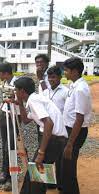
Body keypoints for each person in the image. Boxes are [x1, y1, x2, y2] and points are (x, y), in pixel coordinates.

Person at [13, 77, 68, 194]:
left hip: (53, 141)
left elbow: (49, 123)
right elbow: (26, 120)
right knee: (38, 177)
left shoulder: (34, 100)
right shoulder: (35, 99)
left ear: (22, 91)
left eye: (16, 90)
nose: (15, 92)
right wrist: (20, 104)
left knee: (35, 177)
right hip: (55, 141)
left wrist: (41, 153)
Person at [62, 57, 92, 194]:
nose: (64, 73)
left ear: (74, 71)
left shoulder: (81, 89)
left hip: (75, 131)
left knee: (69, 167)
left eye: (66, 70)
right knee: (66, 165)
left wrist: (70, 144)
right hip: (70, 128)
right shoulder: (74, 85)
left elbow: (79, 118)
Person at [43, 65, 69, 191]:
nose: (51, 79)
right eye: (49, 77)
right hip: (46, 131)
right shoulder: (45, 92)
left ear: (60, 77)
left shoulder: (65, 92)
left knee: (59, 159)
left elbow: (68, 112)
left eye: (53, 77)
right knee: (46, 158)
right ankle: (48, 183)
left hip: (59, 131)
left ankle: (61, 185)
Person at [0, 62, 20, 191]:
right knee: (4, 145)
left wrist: (14, 100)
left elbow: (21, 101)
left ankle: (11, 178)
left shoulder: (18, 84)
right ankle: (5, 173)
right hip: (4, 114)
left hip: (14, 116)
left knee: (10, 146)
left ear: (5, 73)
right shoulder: (4, 83)